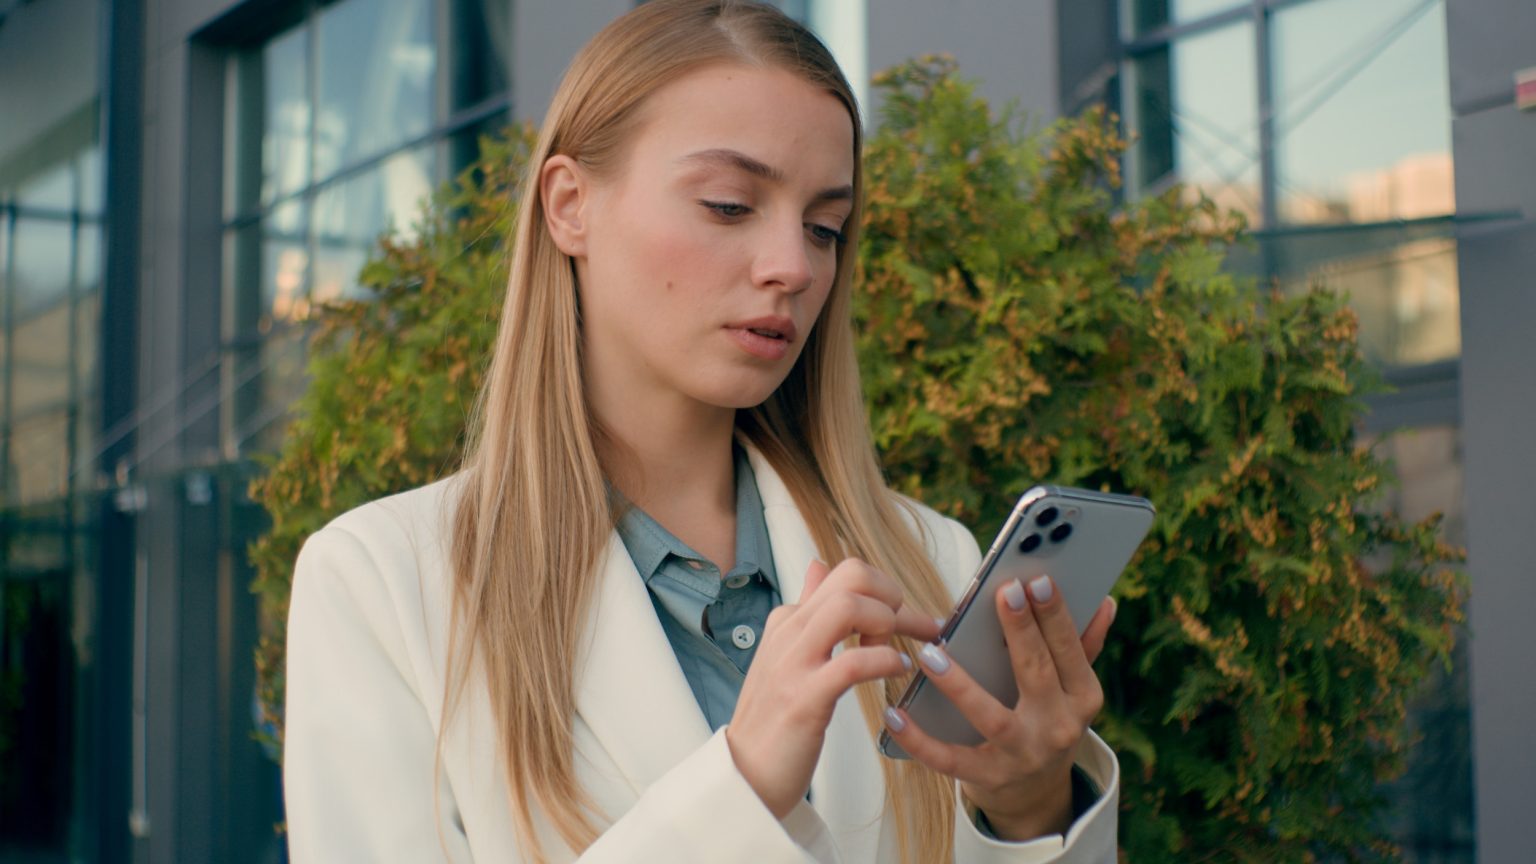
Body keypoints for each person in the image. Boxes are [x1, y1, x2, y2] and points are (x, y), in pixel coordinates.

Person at [282, 1, 1120, 861]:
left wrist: (1026, 812)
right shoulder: (383, 587)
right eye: (728, 206)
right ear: (570, 205)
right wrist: (742, 787)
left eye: (825, 227)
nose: (793, 266)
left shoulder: (927, 562)